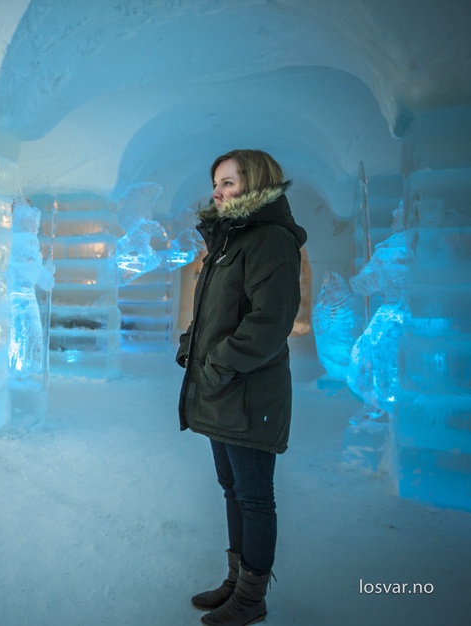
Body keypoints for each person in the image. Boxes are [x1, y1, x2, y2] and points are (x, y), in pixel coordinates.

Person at [176, 149, 307, 626]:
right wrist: (192, 346)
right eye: (216, 183)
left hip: (248, 391)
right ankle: (237, 581)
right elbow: (213, 311)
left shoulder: (270, 239)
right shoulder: (231, 239)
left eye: (229, 182)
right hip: (222, 388)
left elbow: (268, 323)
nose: (217, 191)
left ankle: (252, 598)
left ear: (257, 185)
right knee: (232, 490)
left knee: (254, 497)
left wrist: (216, 367)